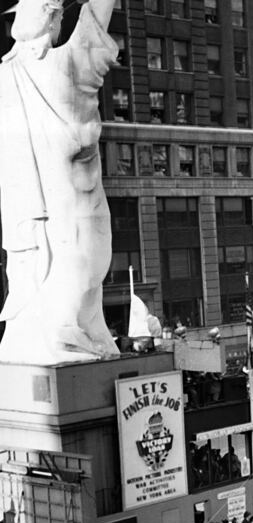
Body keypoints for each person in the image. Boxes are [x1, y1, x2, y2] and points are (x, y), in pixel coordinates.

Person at [0, 0, 121, 365]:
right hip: (72, 197)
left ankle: (69, 329)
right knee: (89, 260)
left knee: (76, 267)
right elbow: (98, 15)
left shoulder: (7, 74)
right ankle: (67, 331)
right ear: (53, 17)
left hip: (29, 207)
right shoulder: (67, 63)